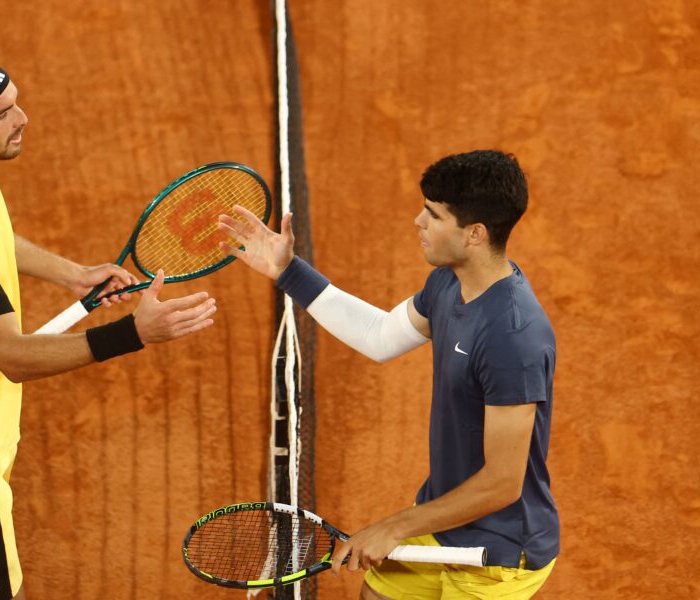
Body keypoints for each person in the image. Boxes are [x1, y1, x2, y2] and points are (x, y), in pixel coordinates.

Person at [0, 47, 217, 600]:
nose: (22, 119)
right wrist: (134, 333)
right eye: (2, 114)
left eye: (15, 104)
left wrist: (74, 274)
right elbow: (11, 356)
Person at [218, 150, 558, 599]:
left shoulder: (512, 336)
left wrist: (394, 527)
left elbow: (502, 484)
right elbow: (379, 337)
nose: (418, 221)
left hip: (498, 553)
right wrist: (287, 271)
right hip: (443, 519)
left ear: (474, 234)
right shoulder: (448, 284)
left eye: (434, 215)